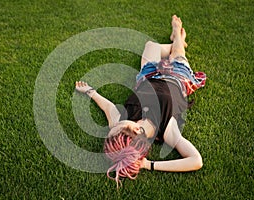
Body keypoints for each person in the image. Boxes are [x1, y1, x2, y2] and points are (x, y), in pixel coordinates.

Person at [75, 15, 206, 188]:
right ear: (136, 129)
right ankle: (177, 38)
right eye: (117, 126)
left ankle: (176, 43)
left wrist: (90, 92)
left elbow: (109, 107)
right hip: (177, 77)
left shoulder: (120, 124)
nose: (114, 124)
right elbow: (196, 161)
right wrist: (148, 165)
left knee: (151, 46)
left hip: (147, 75)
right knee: (178, 55)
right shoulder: (167, 130)